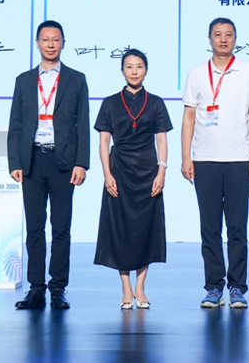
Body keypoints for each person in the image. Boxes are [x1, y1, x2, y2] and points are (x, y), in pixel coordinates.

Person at [8, 20, 89, 310]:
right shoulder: (24, 80)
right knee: (34, 228)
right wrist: (15, 161)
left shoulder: (76, 79)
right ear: (37, 43)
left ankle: (58, 288)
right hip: (32, 160)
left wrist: (81, 163)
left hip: (63, 162)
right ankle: (36, 288)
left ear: (63, 43)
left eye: (56, 40)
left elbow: (82, 124)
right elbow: (16, 124)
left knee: (61, 228)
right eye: (45, 39)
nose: (51, 44)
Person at [181, 18, 249, 309]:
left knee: (237, 227)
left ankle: (237, 287)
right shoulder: (197, 74)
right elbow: (189, 117)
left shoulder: (248, 72)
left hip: (239, 159)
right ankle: (214, 287)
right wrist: (186, 157)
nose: (223, 39)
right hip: (204, 160)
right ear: (210, 39)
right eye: (218, 34)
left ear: (235, 39)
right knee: (210, 228)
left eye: (228, 34)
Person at [94, 49, 172, 309]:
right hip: (119, 170)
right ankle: (126, 286)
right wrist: (107, 174)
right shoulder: (110, 102)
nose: (134, 71)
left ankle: (140, 285)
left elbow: (162, 140)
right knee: (120, 228)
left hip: (148, 171)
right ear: (122, 71)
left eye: (139, 66)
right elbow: (104, 141)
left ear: (146, 70)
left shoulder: (156, 102)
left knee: (145, 228)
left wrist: (161, 171)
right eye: (129, 66)